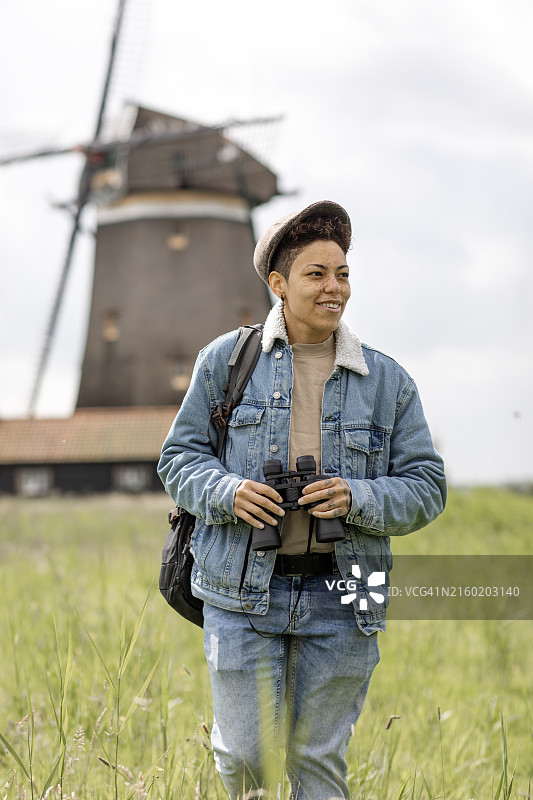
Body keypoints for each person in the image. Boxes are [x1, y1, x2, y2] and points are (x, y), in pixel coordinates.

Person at [158, 200, 447, 800]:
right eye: (316, 274)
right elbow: (179, 459)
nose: (334, 287)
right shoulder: (226, 362)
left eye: (342, 273)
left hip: (351, 591)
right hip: (239, 589)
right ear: (279, 283)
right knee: (245, 760)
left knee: (318, 763)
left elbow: (427, 487)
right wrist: (229, 492)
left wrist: (357, 496)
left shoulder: (389, 382)